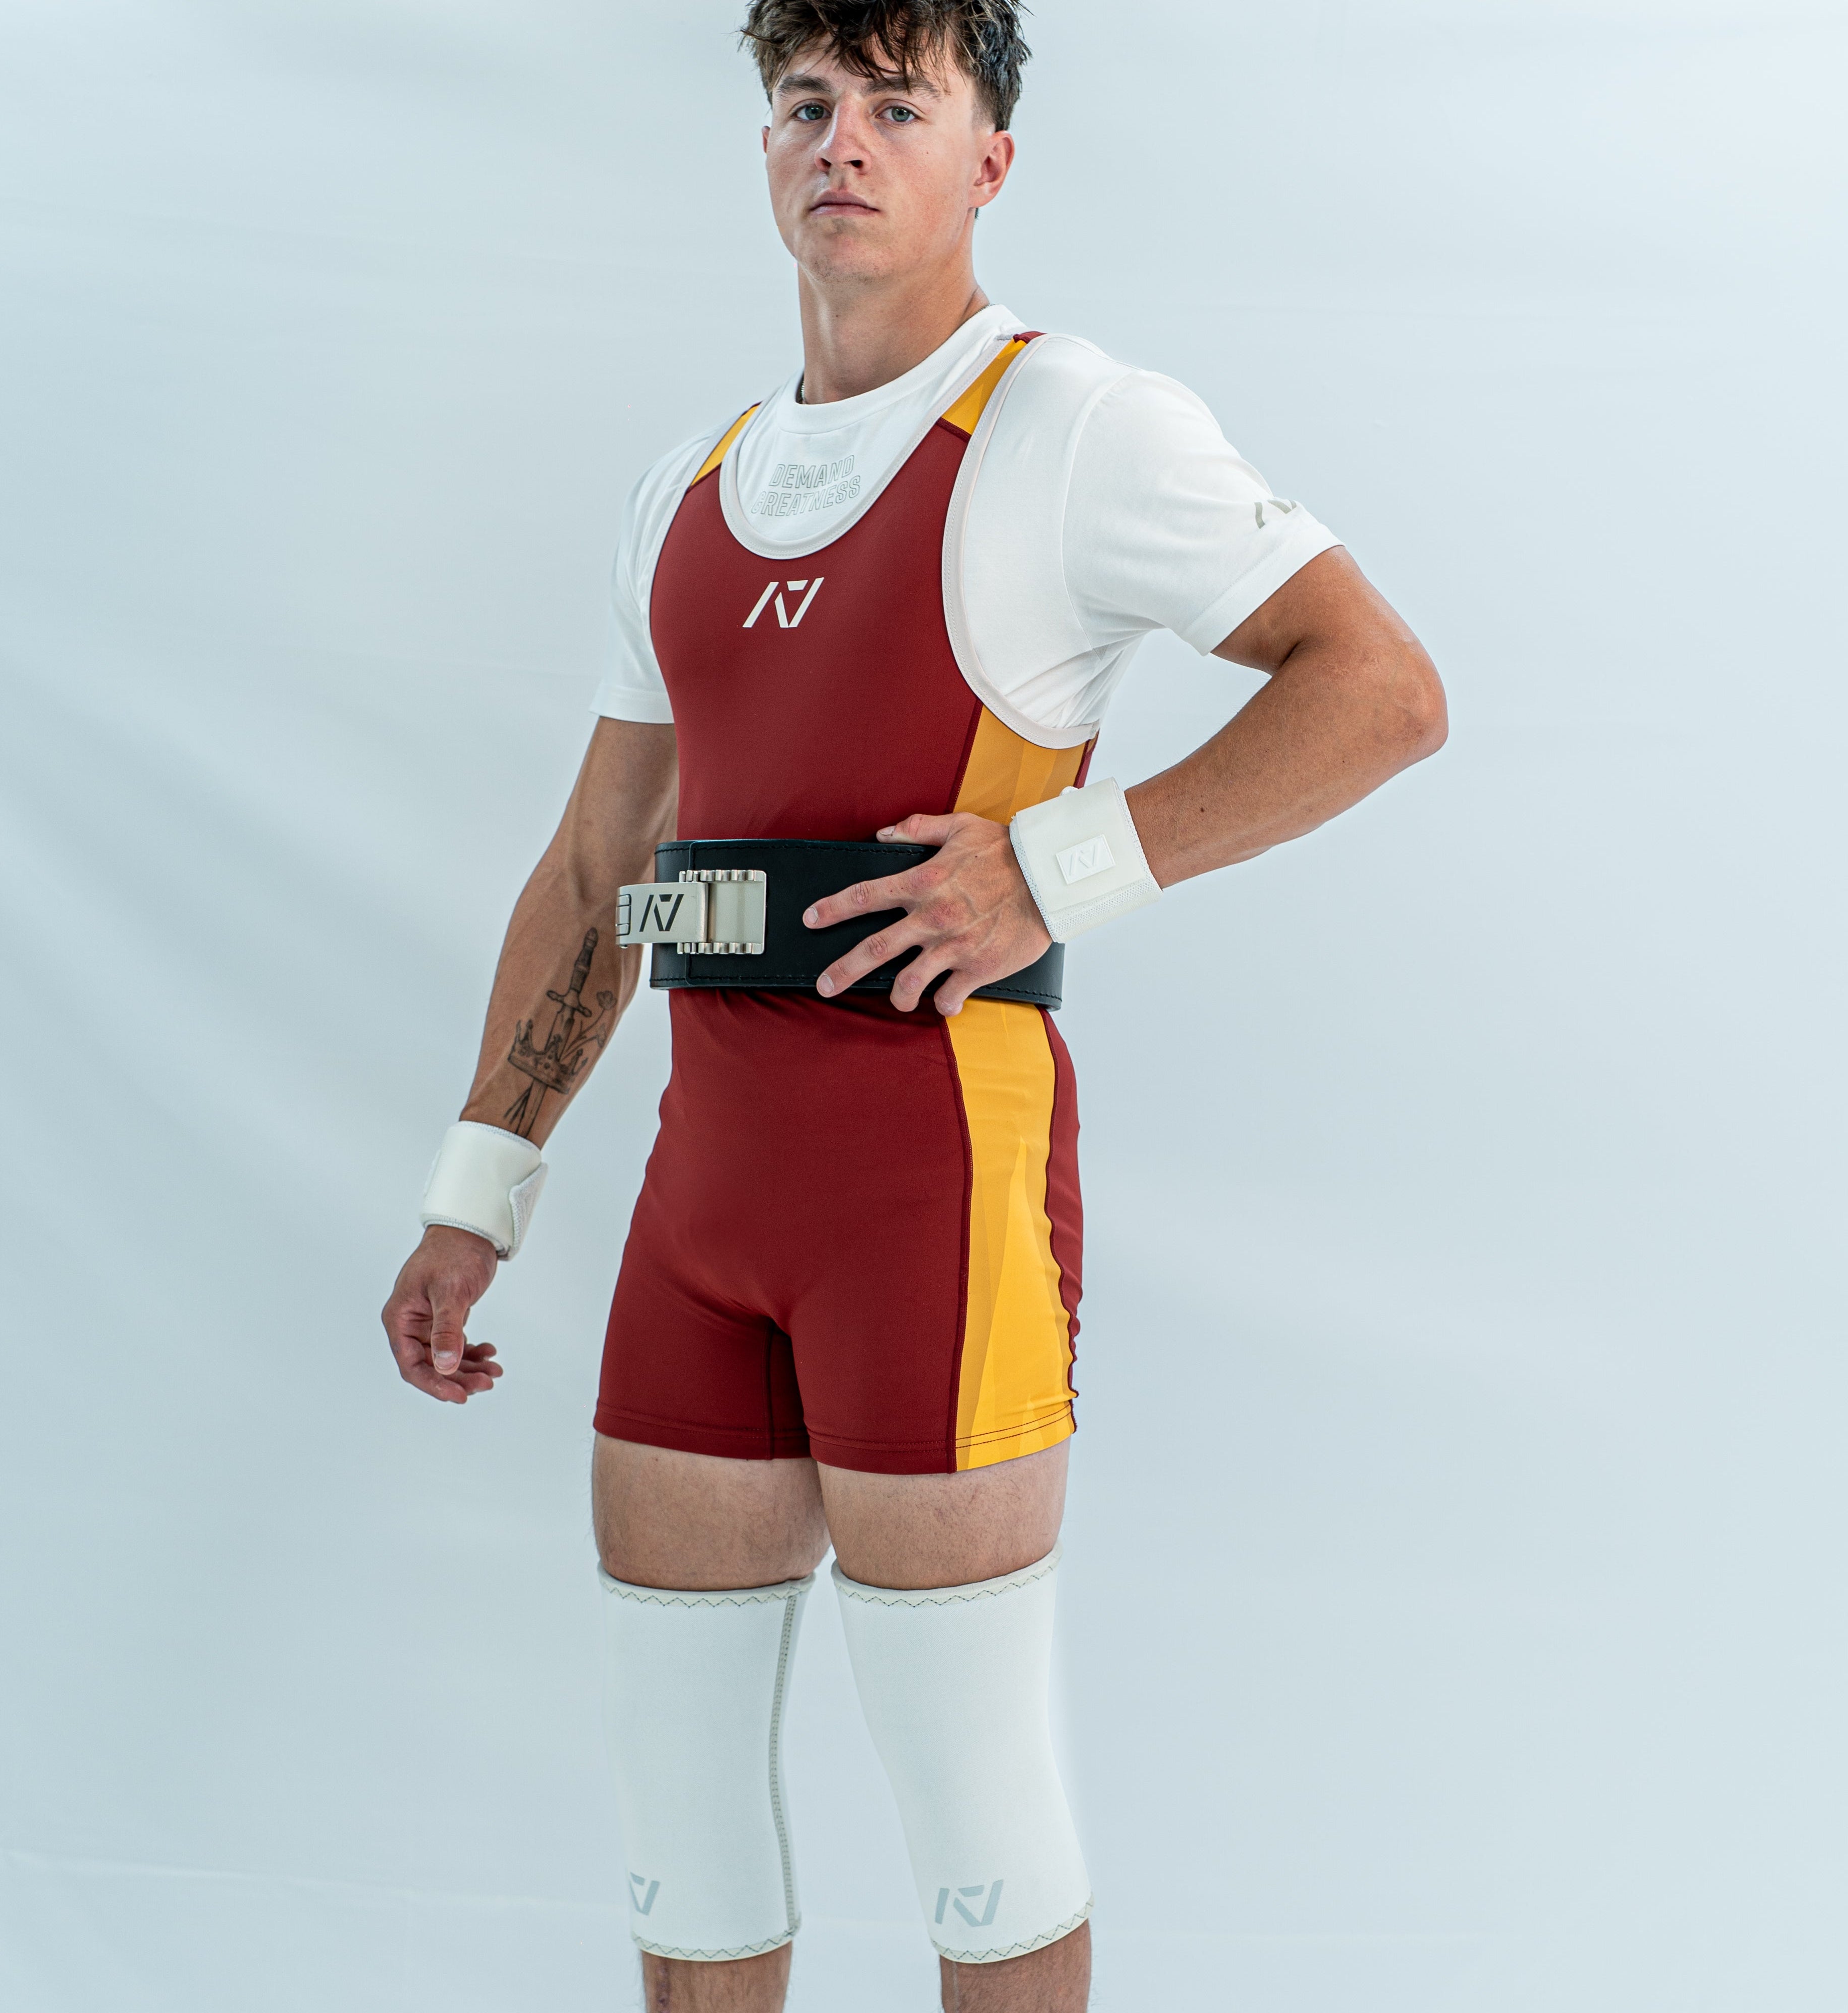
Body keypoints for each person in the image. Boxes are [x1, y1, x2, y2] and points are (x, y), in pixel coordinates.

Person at [380, 3, 1447, 2006]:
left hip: (931, 1198)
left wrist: (1060, 866)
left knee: (977, 1835)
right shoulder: (690, 486)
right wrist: (478, 1190)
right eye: (806, 102)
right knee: (683, 1843)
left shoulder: (1072, 428)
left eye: (899, 102)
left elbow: (1381, 690)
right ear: (762, 146)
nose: (844, 142)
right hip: (702, 1216)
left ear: (990, 160)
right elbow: (598, 866)